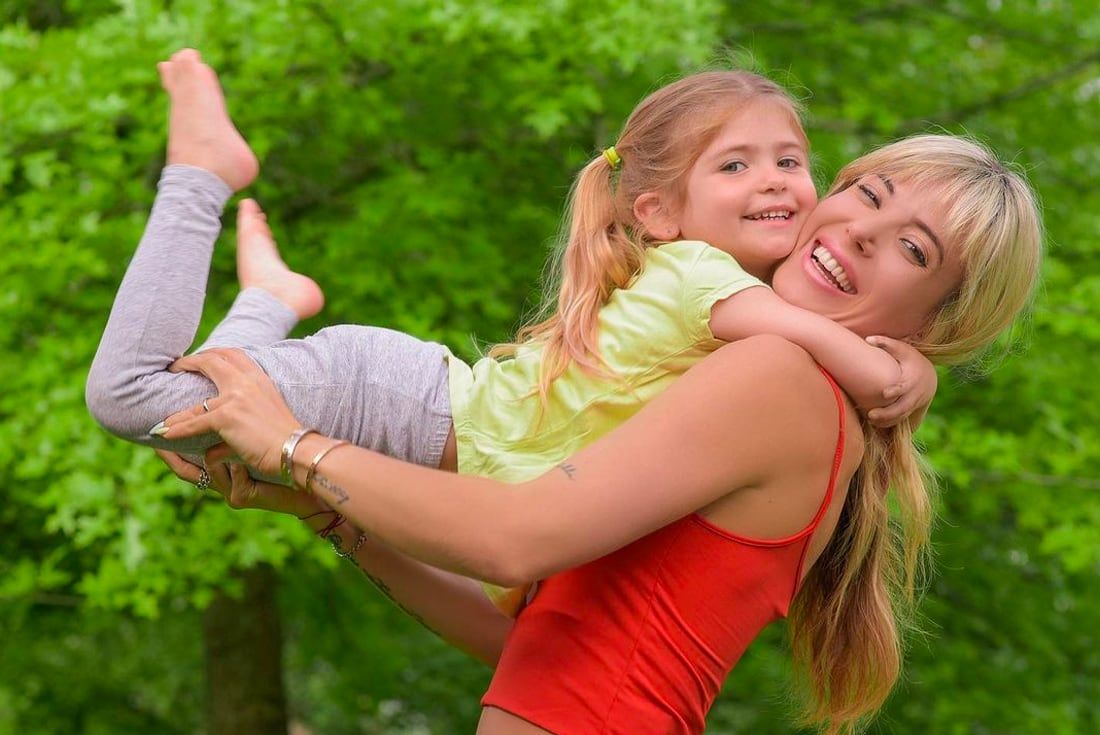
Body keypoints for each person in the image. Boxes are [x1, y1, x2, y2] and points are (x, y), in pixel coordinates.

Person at [155, 137, 1042, 732]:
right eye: (867, 195)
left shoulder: (784, 379)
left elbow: (512, 537)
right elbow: (535, 642)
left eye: (914, 251)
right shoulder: (801, 397)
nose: (859, 233)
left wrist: (296, 445)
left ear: (938, 325)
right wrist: (327, 510)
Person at [86, 51, 938, 614]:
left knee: (196, 434)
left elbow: (512, 599)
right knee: (130, 395)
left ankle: (269, 298)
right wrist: (895, 372)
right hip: (409, 405)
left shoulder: (720, 315)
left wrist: (326, 510)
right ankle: (201, 174)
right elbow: (805, 335)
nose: (776, 181)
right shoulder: (703, 278)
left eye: (790, 160)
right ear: (660, 214)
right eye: (735, 165)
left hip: (410, 419)